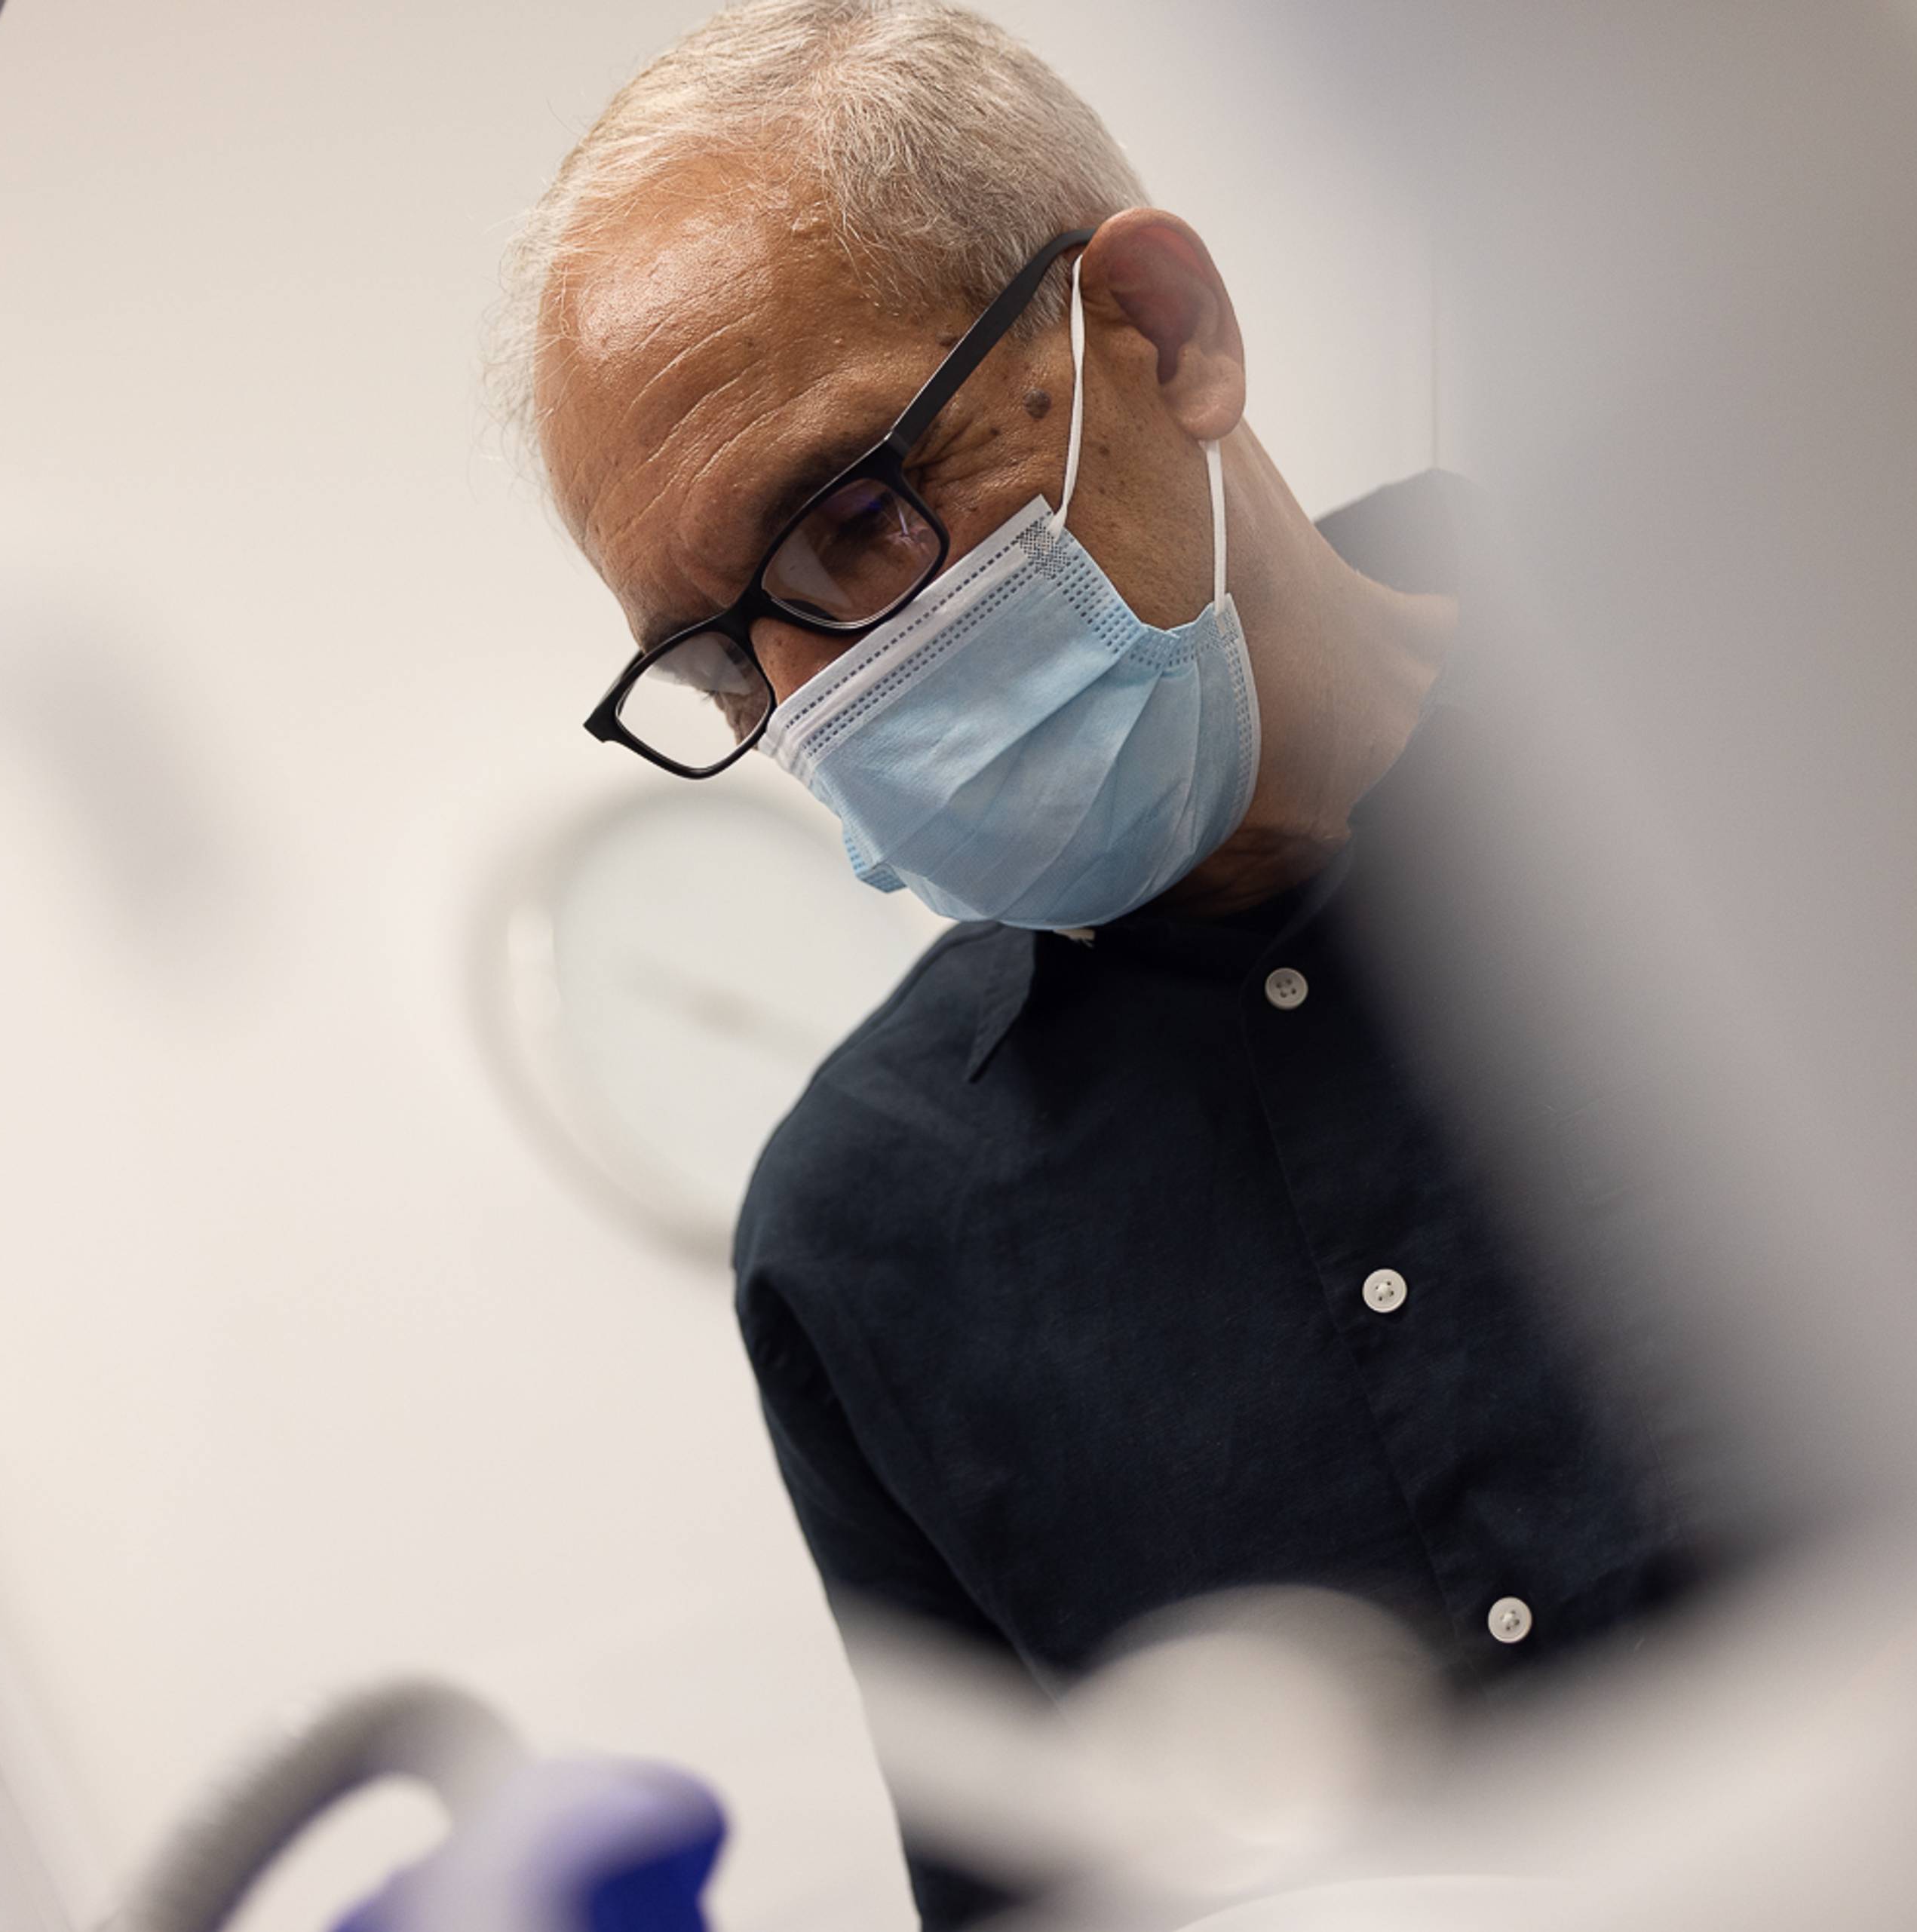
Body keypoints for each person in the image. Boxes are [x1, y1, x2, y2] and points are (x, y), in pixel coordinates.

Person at [502, 2, 1710, 1921]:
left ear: (1165, 338)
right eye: (730, 658)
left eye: (855, 522)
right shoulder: (864, 1236)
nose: (826, 699)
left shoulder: (1779, 740)